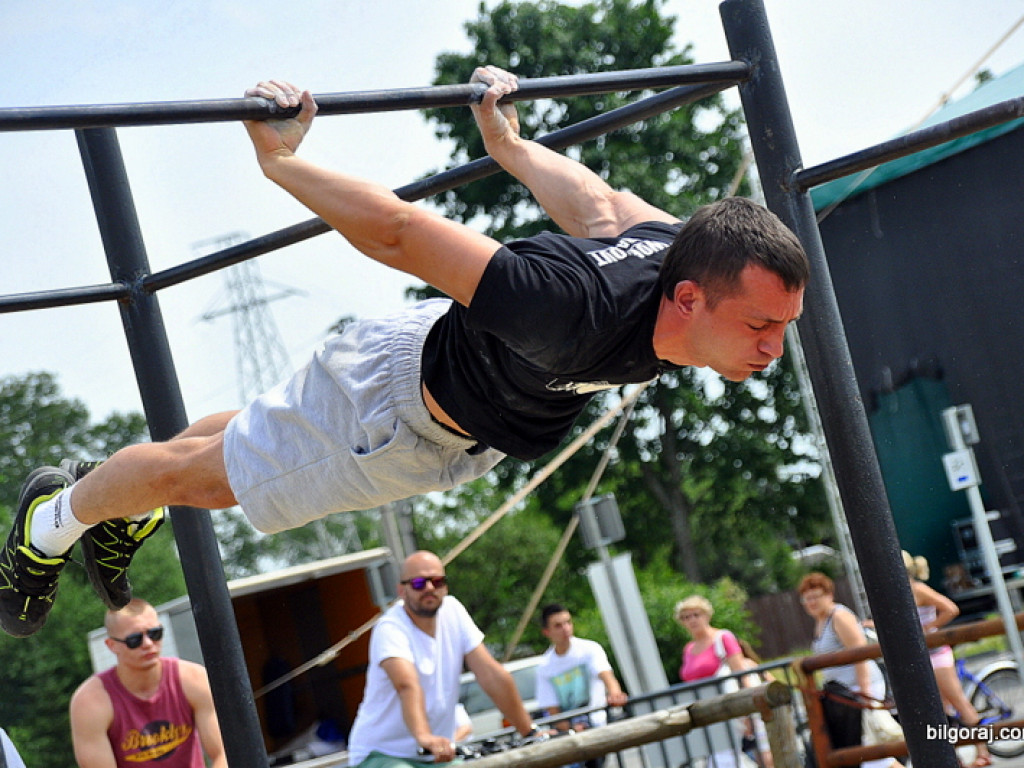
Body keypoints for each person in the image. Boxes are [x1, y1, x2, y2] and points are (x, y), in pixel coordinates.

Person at [0, 65, 809, 639]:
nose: (773, 350)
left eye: (782, 327)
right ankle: (53, 520)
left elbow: (599, 204)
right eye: (759, 328)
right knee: (206, 484)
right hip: (389, 417)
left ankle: (118, 507)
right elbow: (399, 232)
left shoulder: (678, 247)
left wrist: (513, 149)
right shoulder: (563, 310)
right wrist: (283, 160)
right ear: (691, 299)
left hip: (436, 382)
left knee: (238, 437)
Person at [345, 550, 534, 768]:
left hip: (434, 755)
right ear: (401, 591)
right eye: (418, 583)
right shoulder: (390, 627)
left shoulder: (453, 611)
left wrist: (530, 732)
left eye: (437, 581)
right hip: (383, 754)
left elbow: (490, 674)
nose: (429, 588)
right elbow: (407, 685)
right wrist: (425, 738)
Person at [68, 598, 227, 768]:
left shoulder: (194, 678)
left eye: (155, 633)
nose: (148, 644)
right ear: (112, 645)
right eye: (135, 640)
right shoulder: (90, 701)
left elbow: (223, 754)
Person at [798, 573, 902, 768]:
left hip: (861, 688)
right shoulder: (821, 621)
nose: (811, 602)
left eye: (816, 596)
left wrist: (864, 693)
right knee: (868, 754)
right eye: (806, 598)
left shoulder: (839, 616)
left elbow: (860, 653)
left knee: (872, 753)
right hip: (845, 694)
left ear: (829, 595)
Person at [903, 551, 991, 768]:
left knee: (958, 701)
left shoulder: (917, 589)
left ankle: (983, 752)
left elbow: (950, 608)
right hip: (926, 656)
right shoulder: (906, 591)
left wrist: (927, 628)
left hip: (936, 654)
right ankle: (955, 757)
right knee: (941, 709)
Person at [675, 595, 772, 768]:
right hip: (709, 713)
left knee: (762, 754)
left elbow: (740, 674)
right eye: (686, 617)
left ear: (706, 615)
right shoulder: (688, 649)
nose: (692, 620)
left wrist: (748, 710)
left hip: (732, 707)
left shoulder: (723, 637)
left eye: (696, 615)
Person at [534, 603, 627, 767]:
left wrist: (615, 693)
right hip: (571, 736)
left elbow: (606, 675)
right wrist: (570, 729)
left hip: (597, 726)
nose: (566, 628)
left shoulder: (589, 648)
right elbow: (553, 709)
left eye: (568, 622)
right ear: (546, 632)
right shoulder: (545, 666)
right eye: (558, 625)